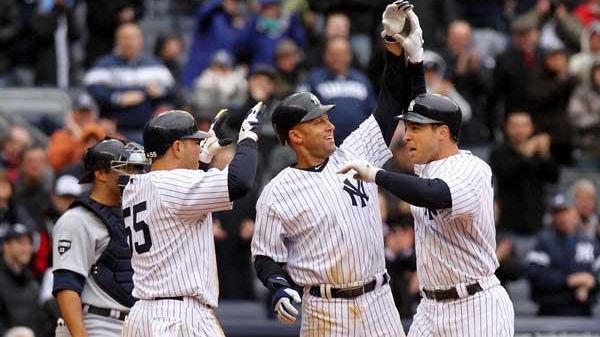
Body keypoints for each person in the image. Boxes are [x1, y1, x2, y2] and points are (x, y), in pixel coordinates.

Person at [251, 2, 424, 336]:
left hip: (380, 302)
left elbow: (391, 100)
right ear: (296, 136)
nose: (329, 125)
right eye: (318, 122)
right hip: (325, 311)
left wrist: (391, 43)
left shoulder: (355, 151)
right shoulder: (278, 190)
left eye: (327, 117)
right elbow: (264, 256)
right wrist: (277, 285)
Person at [337, 93, 514, 336]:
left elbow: (436, 194)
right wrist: (417, 61)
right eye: (407, 127)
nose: (407, 135)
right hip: (430, 308)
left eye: (416, 128)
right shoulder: (427, 166)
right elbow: (422, 99)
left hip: (475, 306)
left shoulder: (472, 168)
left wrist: (376, 174)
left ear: (442, 132)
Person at [121, 106, 262, 336]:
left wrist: (202, 158)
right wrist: (248, 138)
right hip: (176, 318)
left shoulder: (135, 185)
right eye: (194, 143)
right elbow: (239, 181)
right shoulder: (175, 183)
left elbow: (173, 189)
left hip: (143, 314)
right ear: (177, 147)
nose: (200, 148)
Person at [52, 138, 150, 337]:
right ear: (100, 174)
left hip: (133, 324)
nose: (133, 175)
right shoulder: (77, 219)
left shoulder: (131, 214)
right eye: (125, 168)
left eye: (135, 168)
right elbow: (66, 285)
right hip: (97, 323)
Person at [526, 193, 600, 316]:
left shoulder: (589, 242)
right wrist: (568, 280)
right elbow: (533, 273)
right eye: (557, 213)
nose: (562, 217)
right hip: (549, 314)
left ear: (576, 213)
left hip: (584, 314)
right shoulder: (544, 242)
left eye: (566, 212)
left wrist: (591, 282)